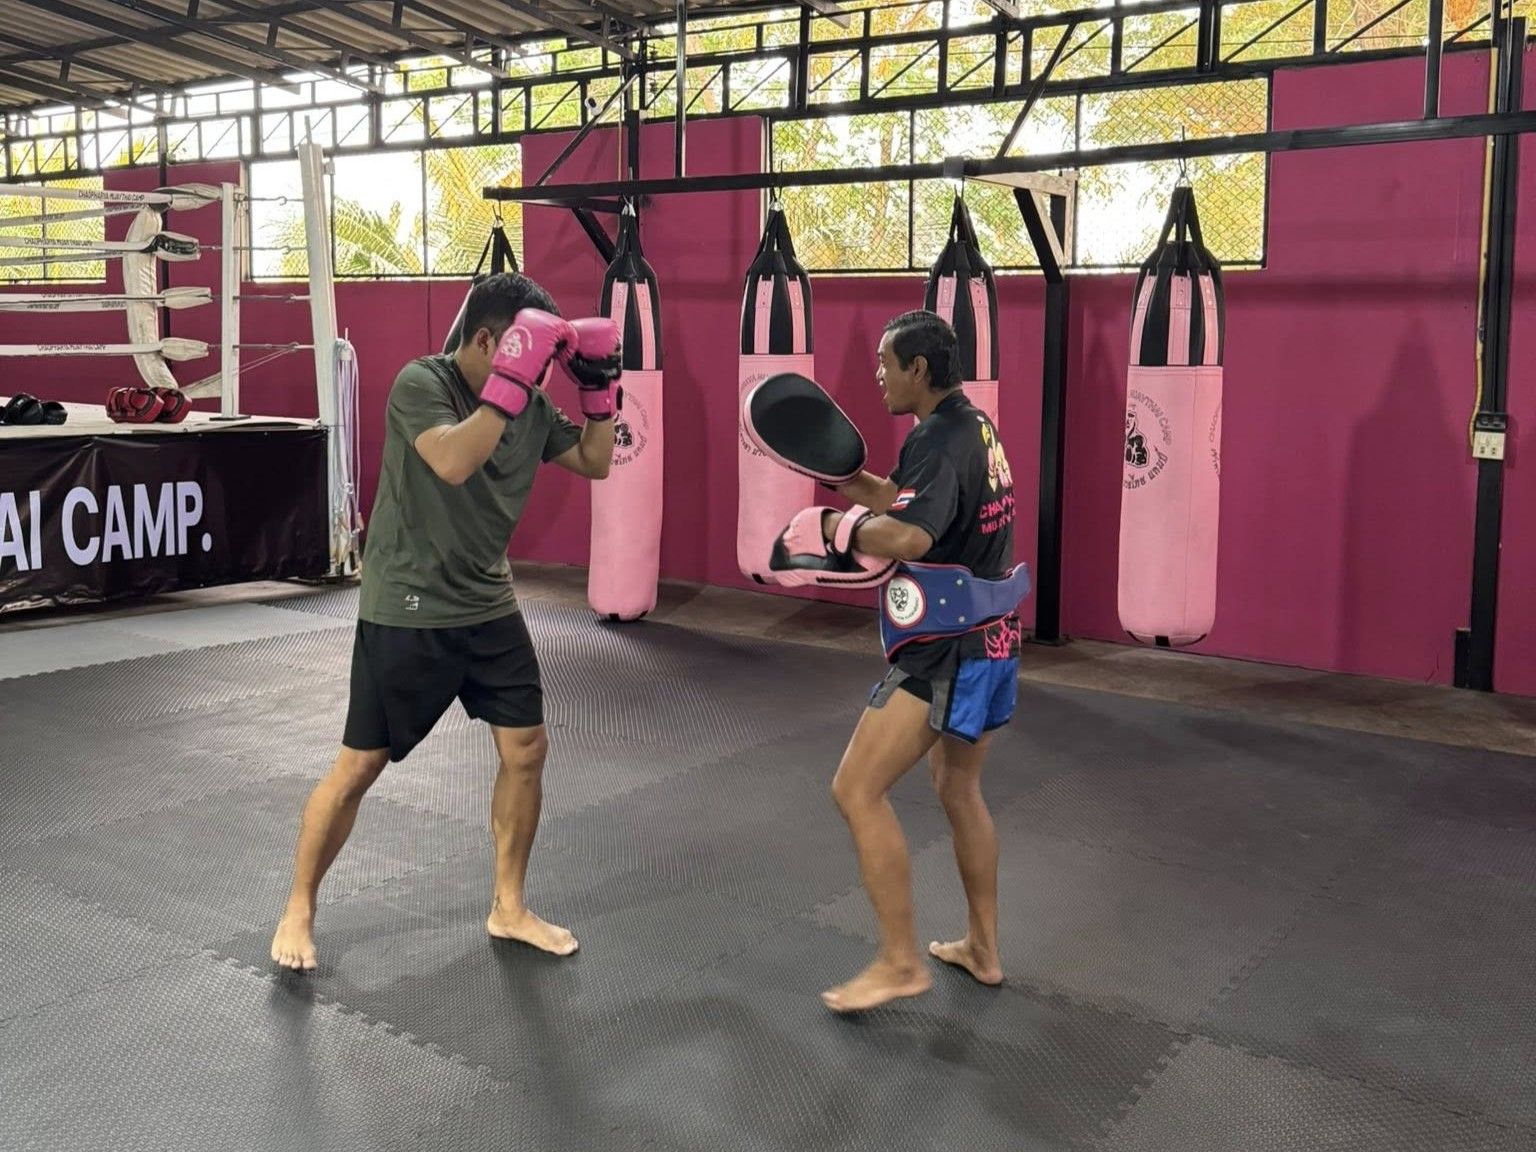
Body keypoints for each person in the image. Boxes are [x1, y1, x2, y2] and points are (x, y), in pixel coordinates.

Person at [270, 272, 624, 972]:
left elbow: (595, 461)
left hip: (488, 603)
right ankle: (299, 906)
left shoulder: (530, 404)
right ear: (489, 341)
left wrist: (600, 393)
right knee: (360, 765)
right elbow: (455, 461)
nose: (536, 374)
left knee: (526, 749)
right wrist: (513, 385)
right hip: (409, 606)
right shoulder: (421, 383)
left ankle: (509, 906)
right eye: (523, 354)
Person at [800, 310, 1022, 1013]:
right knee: (959, 789)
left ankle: (899, 963)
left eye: (885, 363)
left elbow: (911, 537)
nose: (878, 374)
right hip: (994, 639)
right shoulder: (971, 426)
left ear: (918, 369)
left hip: (945, 651)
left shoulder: (936, 437)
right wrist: (843, 483)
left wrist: (833, 529)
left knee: (856, 790)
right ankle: (983, 949)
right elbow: (903, 500)